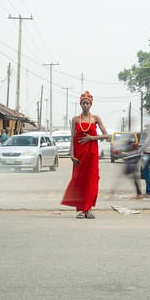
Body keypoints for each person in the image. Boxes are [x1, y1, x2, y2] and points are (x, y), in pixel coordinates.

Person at [61, 91, 108, 219]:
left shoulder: (95, 118)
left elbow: (106, 135)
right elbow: (72, 138)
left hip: (91, 154)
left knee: (91, 180)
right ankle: (81, 210)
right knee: (79, 181)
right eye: (83, 103)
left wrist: (91, 138)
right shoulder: (75, 119)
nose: (85, 105)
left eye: (87, 103)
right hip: (79, 155)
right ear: (80, 104)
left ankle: (88, 209)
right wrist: (71, 154)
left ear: (91, 105)